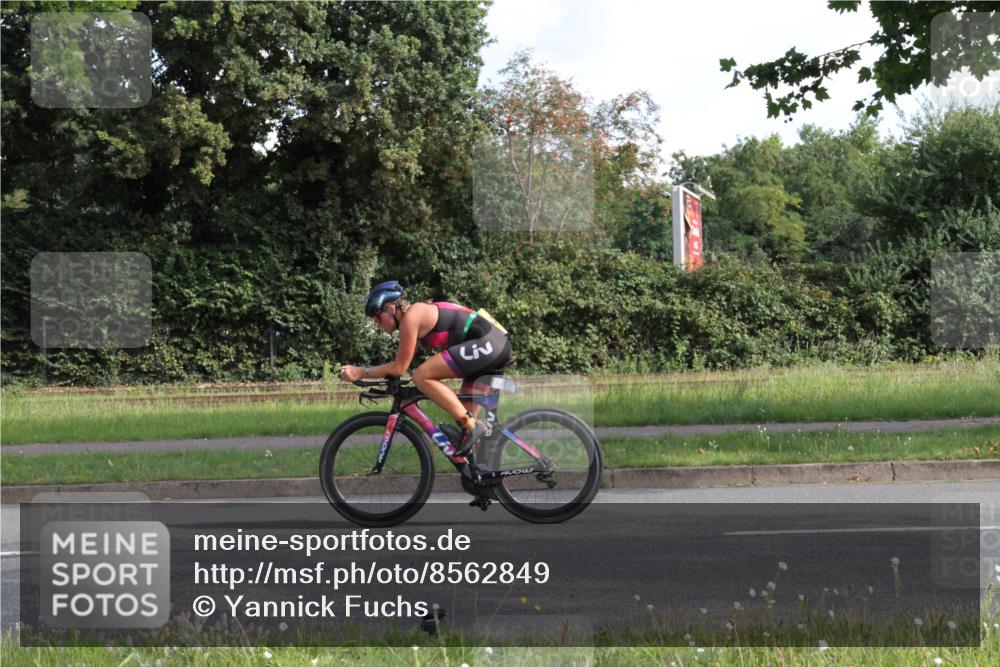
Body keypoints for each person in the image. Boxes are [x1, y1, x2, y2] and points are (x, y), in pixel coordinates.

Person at [339, 280, 513, 454]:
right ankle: (483, 475)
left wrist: (360, 372)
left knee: (422, 376)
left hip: (489, 344)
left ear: (391, 309)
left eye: (377, 317)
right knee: (465, 432)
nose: (377, 323)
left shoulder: (411, 318)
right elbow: (401, 364)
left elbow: (399, 368)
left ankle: (473, 427)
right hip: (490, 345)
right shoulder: (415, 316)